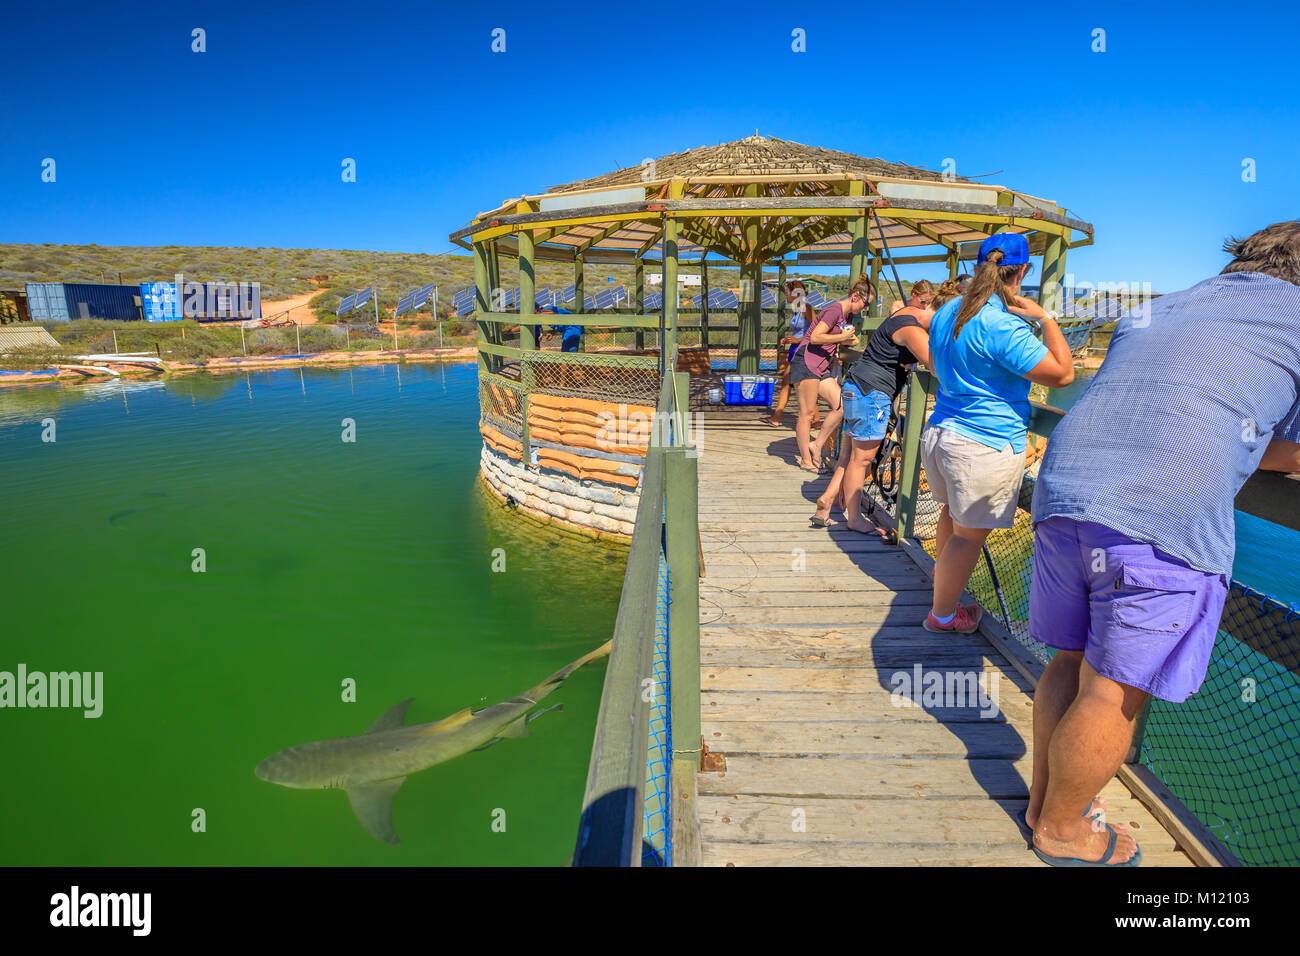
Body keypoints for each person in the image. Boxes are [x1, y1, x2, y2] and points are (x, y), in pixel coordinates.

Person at [1023, 220, 1300, 868]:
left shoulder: (1161, 305)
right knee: (1113, 689)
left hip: (1062, 491)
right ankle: (1062, 831)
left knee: (1067, 660)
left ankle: (1045, 805)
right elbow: (1277, 447)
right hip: (1158, 511)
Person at [921, 233, 1073, 635]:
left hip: (940, 433)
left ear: (977, 267)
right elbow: (1063, 374)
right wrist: (1045, 319)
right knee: (968, 539)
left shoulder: (947, 310)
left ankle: (944, 588)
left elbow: (936, 370)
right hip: (982, 445)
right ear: (1023, 271)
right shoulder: (1003, 326)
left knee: (951, 517)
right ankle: (942, 616)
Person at [812, 285, 932, 529]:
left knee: (849, 454)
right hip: (872, 393)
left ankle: (829, 499)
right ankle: (854, 519)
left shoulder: (900, 315)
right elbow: (933, 361)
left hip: (856, 386)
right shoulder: (910, 325)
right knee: (862, 458)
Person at [791, 276, 872, 472]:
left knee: (842, 406)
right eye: (865, 303)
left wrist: (846, 341)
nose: (865, 308)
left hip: (821, 366)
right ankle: (806, 461)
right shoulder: (834, 310)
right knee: (807, 414)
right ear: (855, 296)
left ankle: (817, 444)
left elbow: (833, 338)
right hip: (807, 361)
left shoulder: (846, 316)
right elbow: (816, 336)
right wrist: (842, 337)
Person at [762, 280, 820, 429]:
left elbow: (816, 331)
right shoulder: (796, 309)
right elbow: (799, 331)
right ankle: (815, 420)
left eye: (787, 292)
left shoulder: (807, 308)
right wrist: (789, 339)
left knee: (791, 383)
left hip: (804, 350)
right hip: (795, 348)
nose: (785, 295)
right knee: (798, 384)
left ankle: (778, 417)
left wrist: (798, 339)